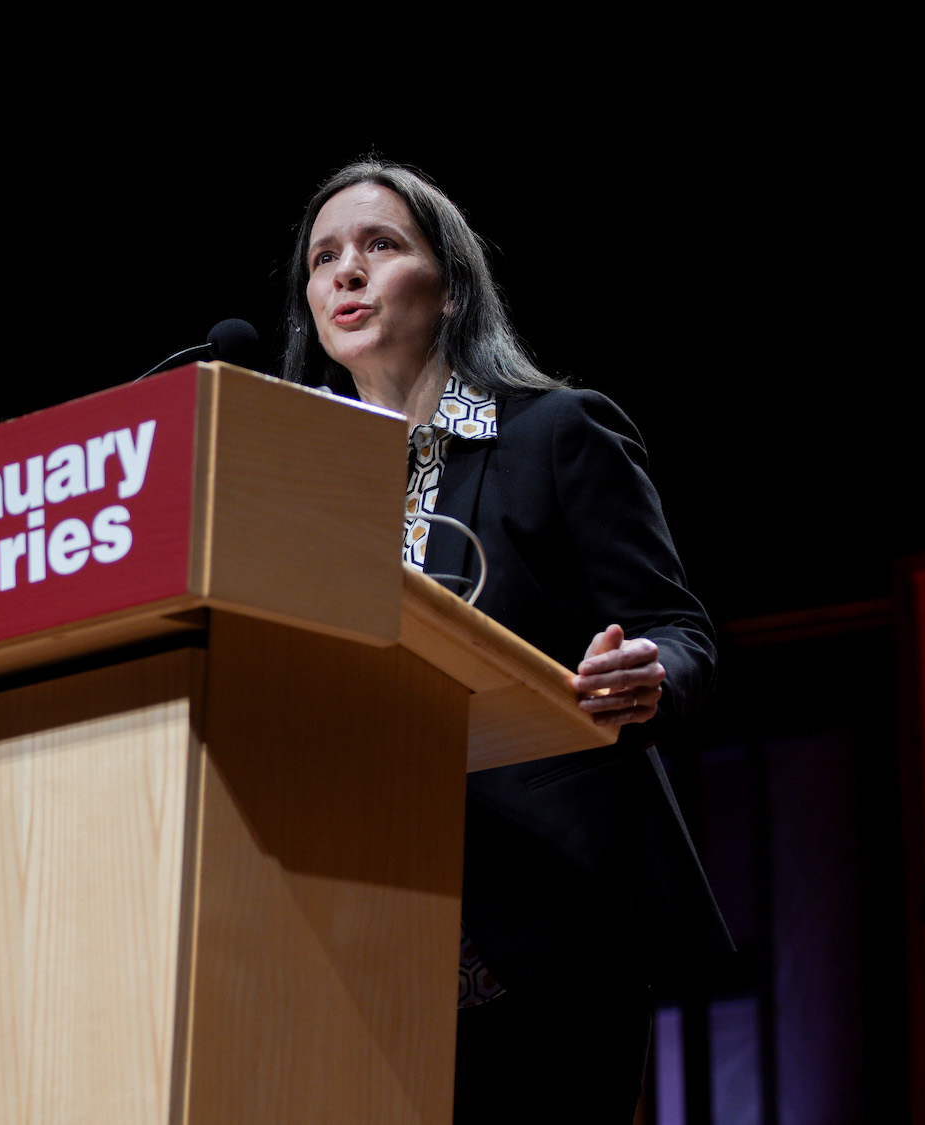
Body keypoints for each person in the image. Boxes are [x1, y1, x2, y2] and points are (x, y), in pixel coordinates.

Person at [280, 160, 730, 1122]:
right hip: (357, 922)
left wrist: (648, 673)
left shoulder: (557, 433)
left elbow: (679, 630)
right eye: (324, 259)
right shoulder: (296, 495)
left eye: (380, 246)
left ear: (449, 289)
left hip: (543, 918)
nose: (346, 273)